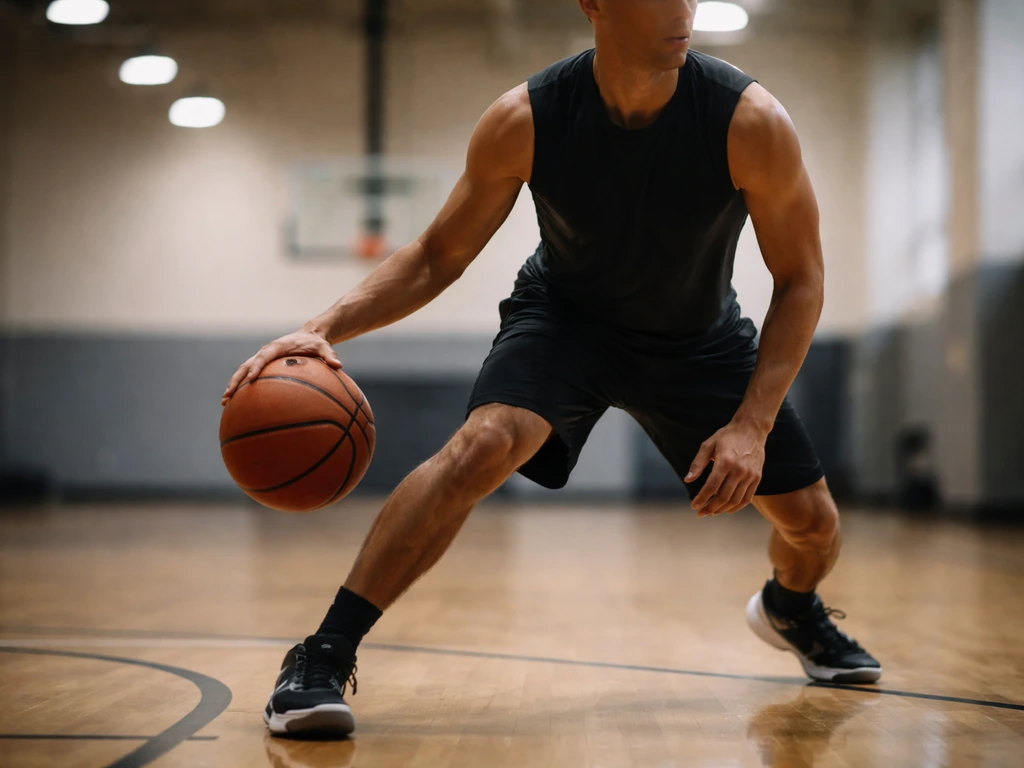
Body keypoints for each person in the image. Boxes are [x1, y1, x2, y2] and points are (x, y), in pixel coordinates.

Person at [222, 0, 881, 738]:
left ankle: (792, 608)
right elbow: (440, 254)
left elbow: (801, 278)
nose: (686, 8)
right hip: (568, 321)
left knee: (813, 527)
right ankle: (321, 653)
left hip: (698, 340)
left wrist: (752, 425)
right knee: (483, 444)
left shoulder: (749, 121)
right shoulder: (525, 118)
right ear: (595, 5)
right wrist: (318, 329)